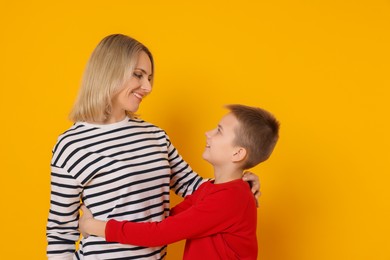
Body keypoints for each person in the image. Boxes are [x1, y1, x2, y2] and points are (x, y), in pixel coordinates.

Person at [46, 34, 261, 259]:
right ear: (109, 71)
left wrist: (238, 181)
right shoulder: (71, 146)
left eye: (149, 77)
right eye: (138, 75)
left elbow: (194, 188)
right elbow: (60, 230)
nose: (147, 87)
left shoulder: (155, 136)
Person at [79, 104, 280, 260]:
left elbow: (159, 234)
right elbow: (166, 219)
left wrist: (93, 226)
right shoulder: (211, 190)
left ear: (238, 153)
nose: (208, 133)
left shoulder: (229, 198)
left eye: (219, 131)